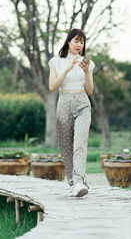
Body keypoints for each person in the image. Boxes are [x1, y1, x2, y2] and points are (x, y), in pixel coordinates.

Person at [48, 28, 95, 197]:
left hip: (82, 103)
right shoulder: (55, 62)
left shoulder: (88, 63)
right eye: (76, 41)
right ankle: (73, 183)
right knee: (66, 146)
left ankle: (80, 181)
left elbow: (89, 90)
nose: (79, 45)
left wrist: (85, 72)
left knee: (80, 144)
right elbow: (52, 87)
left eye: (82, 42)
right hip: (64, 103)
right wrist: (67, 69)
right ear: (68, 41)